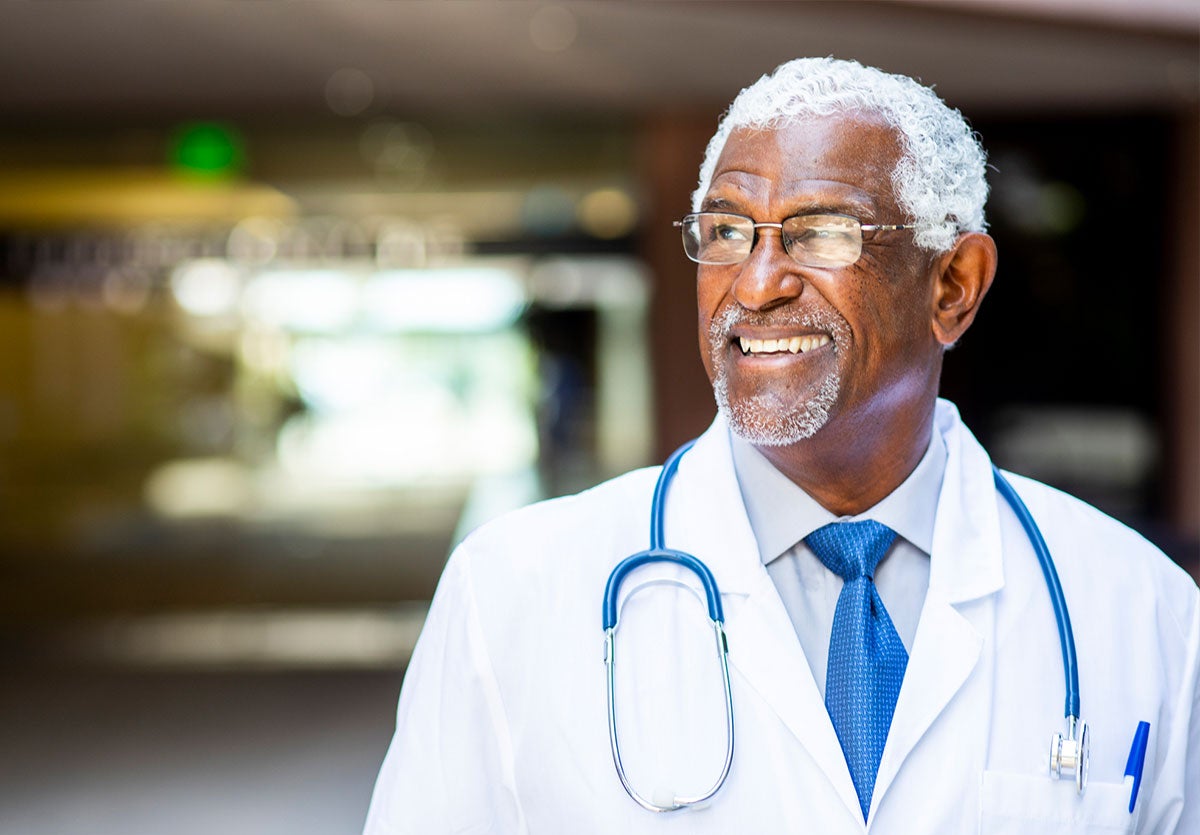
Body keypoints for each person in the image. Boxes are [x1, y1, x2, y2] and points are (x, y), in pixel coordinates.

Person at [364, 58, 1198, 834]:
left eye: (823, 232)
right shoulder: (512, 592)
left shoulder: (1140, 610)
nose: (757, 283)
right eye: (727, 231)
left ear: (953, 286)